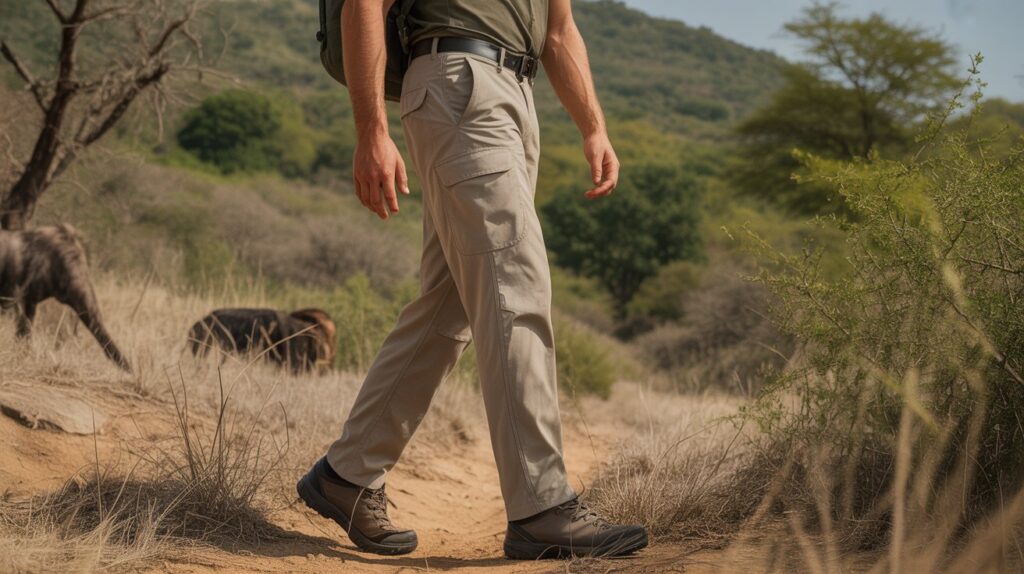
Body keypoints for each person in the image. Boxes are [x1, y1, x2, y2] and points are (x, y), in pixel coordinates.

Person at [297, 0, 648, 560]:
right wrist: (371, 132)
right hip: (458, 84)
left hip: (512, 95)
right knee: (517, 289)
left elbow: (558, 32)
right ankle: (542, 506)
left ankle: (348, 474)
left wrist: (594, 128)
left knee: (449, 307)